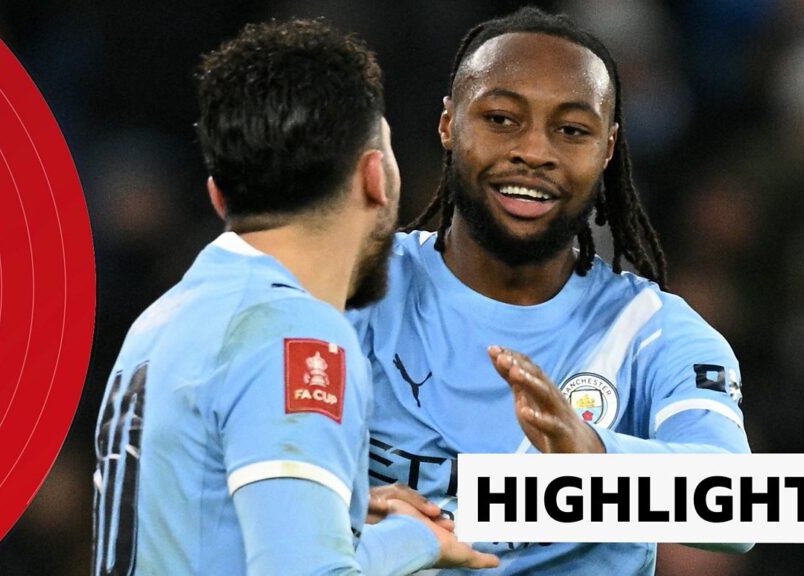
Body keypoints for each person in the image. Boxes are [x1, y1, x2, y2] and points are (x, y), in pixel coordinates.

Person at [350, 7, 751, 574]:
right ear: (449, 124)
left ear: (607, 149)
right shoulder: (356, 285)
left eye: (572, 130)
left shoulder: (652, 332)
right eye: (501, 119)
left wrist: (592, 455)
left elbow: (741, 511)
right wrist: (335, 505)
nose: (535, 152)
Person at [91, 19, 498, 575]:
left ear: (218, 196)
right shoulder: (294, 334)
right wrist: (415, 539)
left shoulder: (160, 323)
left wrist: (337, 515)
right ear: (375, 177)